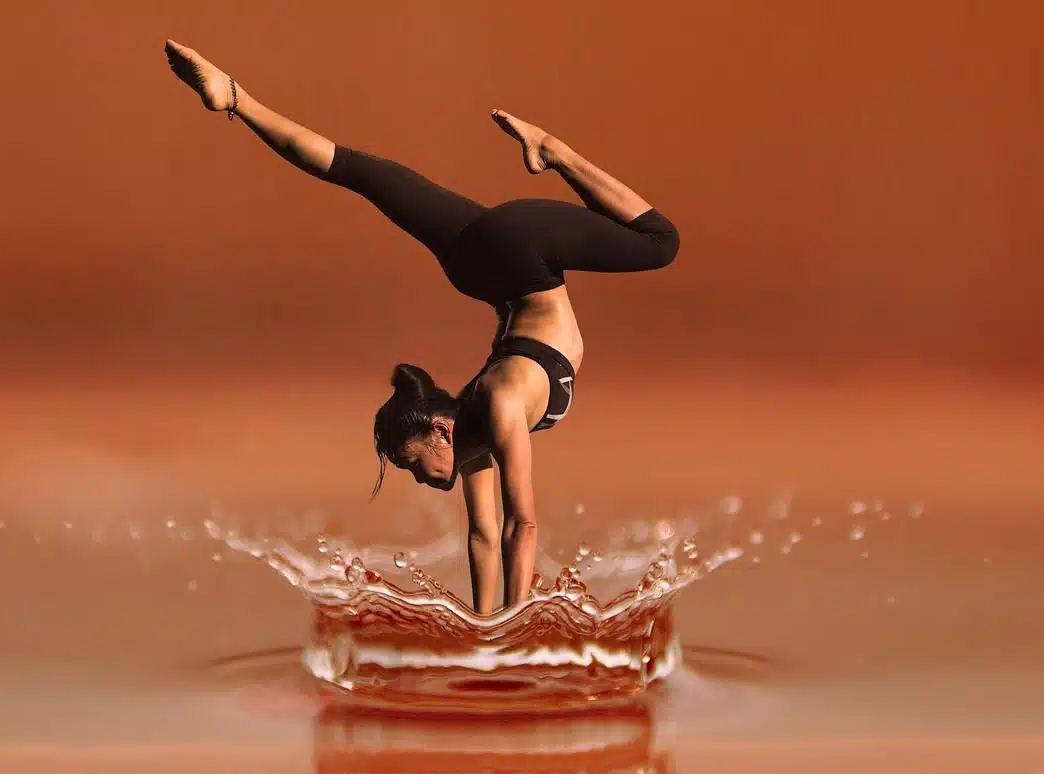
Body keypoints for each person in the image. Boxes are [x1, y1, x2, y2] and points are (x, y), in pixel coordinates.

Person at [165, 39, 680, 615]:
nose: (418, 478)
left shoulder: (502, 404)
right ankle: (235, 97)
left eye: (412, 463)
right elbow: (484, 537)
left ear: (440, 429)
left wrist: (513, 632)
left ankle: (552, 150)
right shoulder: (473, 439)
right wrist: (485, 629)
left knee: (662, 244)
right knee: (364, 174)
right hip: (480, 264)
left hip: (522, 253)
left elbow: (523, 525)